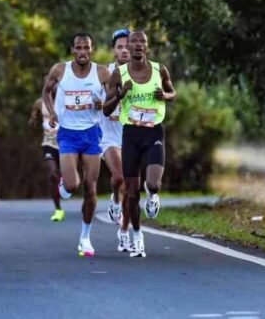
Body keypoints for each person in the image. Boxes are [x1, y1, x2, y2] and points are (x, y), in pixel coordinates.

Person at [103, 30, 176, 258]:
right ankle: (137, 236)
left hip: (154, 130)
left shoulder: (159, 69)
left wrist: (165, 96)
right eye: (132, 42)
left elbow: (172, 91)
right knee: (131, 192)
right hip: (130, 133)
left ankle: (152, 194)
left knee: (153, 183)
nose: (135, 46)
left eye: (140, 42)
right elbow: (106, 109)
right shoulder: (118, 73)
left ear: (146, 46)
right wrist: (120, 96)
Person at [42, 32, 109, 257]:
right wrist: (52, 112)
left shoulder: (102, 72)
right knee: (72, 186)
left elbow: (113, 101)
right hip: (68, 134)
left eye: (86, 48)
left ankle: (85, 238)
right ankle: (64, 185)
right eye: (78, 48)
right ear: (72, 50)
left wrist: (103, 103)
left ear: (92, 49)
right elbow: (46, 91)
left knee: (91, 189)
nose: (83, 52)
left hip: (92, 134)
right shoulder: (60, 70)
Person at [100, 28, 132, 252]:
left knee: (132, 186)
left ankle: (124, 231)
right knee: (119, 177)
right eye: (120, 47)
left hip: (132, 135)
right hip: (108, 136)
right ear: (114, 51)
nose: (124, 50)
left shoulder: (143, 74)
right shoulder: (105, 74)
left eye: (128, 46)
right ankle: (114, 200)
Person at [29, 97, 65, 221]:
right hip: (48, 144)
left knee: (65, 177)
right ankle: (58, 210)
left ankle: (64, 181)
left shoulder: (65, 99)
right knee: (52, 175)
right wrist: (33, 119)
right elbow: (34, 114)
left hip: (65, 144)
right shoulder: (40, 103)